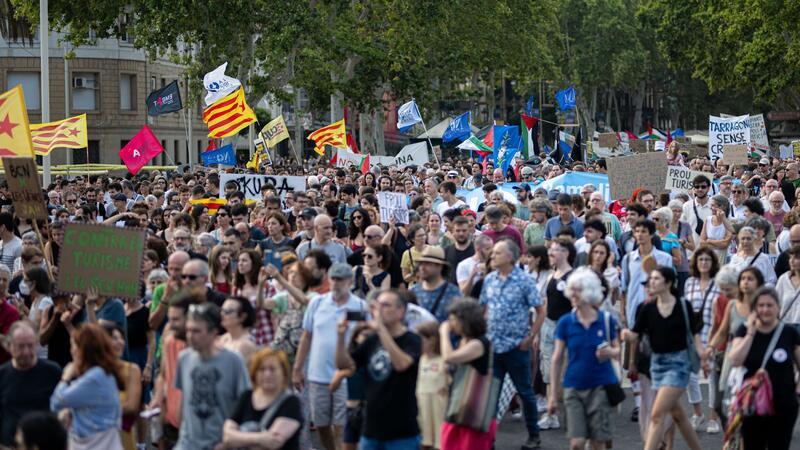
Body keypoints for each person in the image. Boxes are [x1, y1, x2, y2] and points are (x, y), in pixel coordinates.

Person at [621, 268, 703, 450]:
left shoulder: (683, 305)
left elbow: (694, 333)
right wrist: (625, 334)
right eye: (651, 278)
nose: (651, 282)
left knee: (657, 414)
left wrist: (702, 355)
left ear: (668, 283)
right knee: (678, 415)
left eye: (656, 279)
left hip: (679, 364)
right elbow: (635, 334)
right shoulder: (647, 308)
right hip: (656, 365)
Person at [293, 263, 368, 450]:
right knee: (321, 423)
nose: (336, 283)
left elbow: (367, 340)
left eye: (341, 279)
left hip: (346, 375)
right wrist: (297, 368)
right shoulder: (317, 303)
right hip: (318, 373)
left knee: (342, 423)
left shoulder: (360, 306)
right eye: (333, 278)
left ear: (350, 282)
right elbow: (307, 336)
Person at [335, 289, 422, 450]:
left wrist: (381, 329)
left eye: (385, 305)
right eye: (377, 305)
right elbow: (343, 365)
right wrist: (340, 337)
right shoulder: (372, 340)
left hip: (402, 433)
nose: (379, 310)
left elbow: (401, 365)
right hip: (371, 431)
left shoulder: (412, 340)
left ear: (401, 311)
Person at [479, 239, 543, 450]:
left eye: (497, 253)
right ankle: (489, 439)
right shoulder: (490, 280)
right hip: (494, 346)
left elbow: (540, 310)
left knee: (525, 392)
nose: (492, 256)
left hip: (517, 346)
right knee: (492, 395)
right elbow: (483, 309)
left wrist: (531, 337)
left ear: (510, 257)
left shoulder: (524, 281)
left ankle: (534, 435)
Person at [547, 267, 620, 450]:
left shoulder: (606, 320)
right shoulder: (565, 322)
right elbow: (556, 358)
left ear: (589, 291)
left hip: (601, 386)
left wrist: (610, 352)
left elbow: (618, 351)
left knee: (598, 442)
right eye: (571, 289)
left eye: (578, 290)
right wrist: (553, 395)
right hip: (574, 387)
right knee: (577, 443)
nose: (573, 294)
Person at [728, 287, 800, 450]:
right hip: (752, 403)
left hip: (783, 404)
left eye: (770, 305)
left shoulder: (788, 332)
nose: (765, 309)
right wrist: (750, 333)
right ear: (754, 309)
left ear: (778, 307)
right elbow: (735, 360)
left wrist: (797, 391)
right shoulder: (744, 330)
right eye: (760, 305)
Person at [174, 302, 251, 449]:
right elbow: (183, 401)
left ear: (213, 332)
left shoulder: (233, 361)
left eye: (196, 331)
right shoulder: (184, 358)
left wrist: (228, 443)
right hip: (187, 444)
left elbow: (245, 405)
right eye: (188, 330)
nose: (190, 336)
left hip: (220, 444)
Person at [50, 323, 124, 449]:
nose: (71, 351)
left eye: (73, 346)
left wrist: (66, 377)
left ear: (82, 349)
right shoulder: (103, 373)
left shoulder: (95, 377)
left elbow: (56, 402)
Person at [438, 299, 496, 450]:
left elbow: (449, 357)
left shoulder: (479, 343)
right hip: (460, 407)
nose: (450, 324)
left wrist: (443, 333)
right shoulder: (464, 340)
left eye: (453, 320)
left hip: (473, 411)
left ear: (465, 320)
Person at [223, 348, 304, 450]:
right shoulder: (246, 396)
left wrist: (238, 438)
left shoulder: (291, 402)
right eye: (262, 369)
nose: (267, 374)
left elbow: (274, 443)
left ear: (283, 373)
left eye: (272, 369)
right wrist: (261, 438)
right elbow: (227, 437)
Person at [0, 321, 62, 448]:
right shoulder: (2, 374)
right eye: (20, 346)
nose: (26, 352)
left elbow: (64, 408)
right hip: (10, 445)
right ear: (9, 346)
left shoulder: (52, 371)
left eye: (30, 346)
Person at [682, 246, 723, 433]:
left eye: (707, 260)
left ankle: (713, 418)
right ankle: (698, 413)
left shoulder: (719, 284)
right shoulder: (689, 283)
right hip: (692, 336)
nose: (704, 263)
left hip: (713, 335)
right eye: (700, 259)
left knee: (713, 378)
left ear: (713, 263)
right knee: (690, 376)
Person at [538, 237, 576, 431]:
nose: (550, 253)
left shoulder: (573, 277)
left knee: (565, 372)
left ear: (566, 253)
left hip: (566, 329)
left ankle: (571, 413)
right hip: (549, 326)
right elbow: (545, 304)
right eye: (550, 250)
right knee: (548, 371)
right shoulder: (551, 275)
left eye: (555, 250)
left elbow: (577, 305)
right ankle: (551, 414)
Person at [101, 323, 142, 450]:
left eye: (121, 338)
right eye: (114, 338)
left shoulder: (132, 370)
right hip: (98, 437)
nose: (120, 342)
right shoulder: (94, 370)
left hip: (122, 434)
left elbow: (132, 407)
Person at [415, 321, 447, 450]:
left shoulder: (444, 359)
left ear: (432, 340)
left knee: (441, 443)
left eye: (420, 339)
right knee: (423, 441)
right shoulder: (418, 359)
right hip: (421, 407)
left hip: (439, 407)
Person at [409, 247, 461, 322]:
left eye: (427, 263)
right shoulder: (413, 291)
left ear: (439, 266)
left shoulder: (453, 293)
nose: (422, 268)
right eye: (421, 263)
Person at [218, 296, 258, 364]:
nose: (222, 314)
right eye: (222, 310)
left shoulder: (247, 345)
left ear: (242, 317)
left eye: (227, 311)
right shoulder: (222, 339)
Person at [699, 195, 734, 265]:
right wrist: (719, 244)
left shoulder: (730, 221)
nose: (711, 208)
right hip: (709, 258)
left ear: (722, 207)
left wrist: (709, 241)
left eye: (713, 205)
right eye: (711, 205)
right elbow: (702, 243)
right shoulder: (708, 219)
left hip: (724, 259)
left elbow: (725, 244)